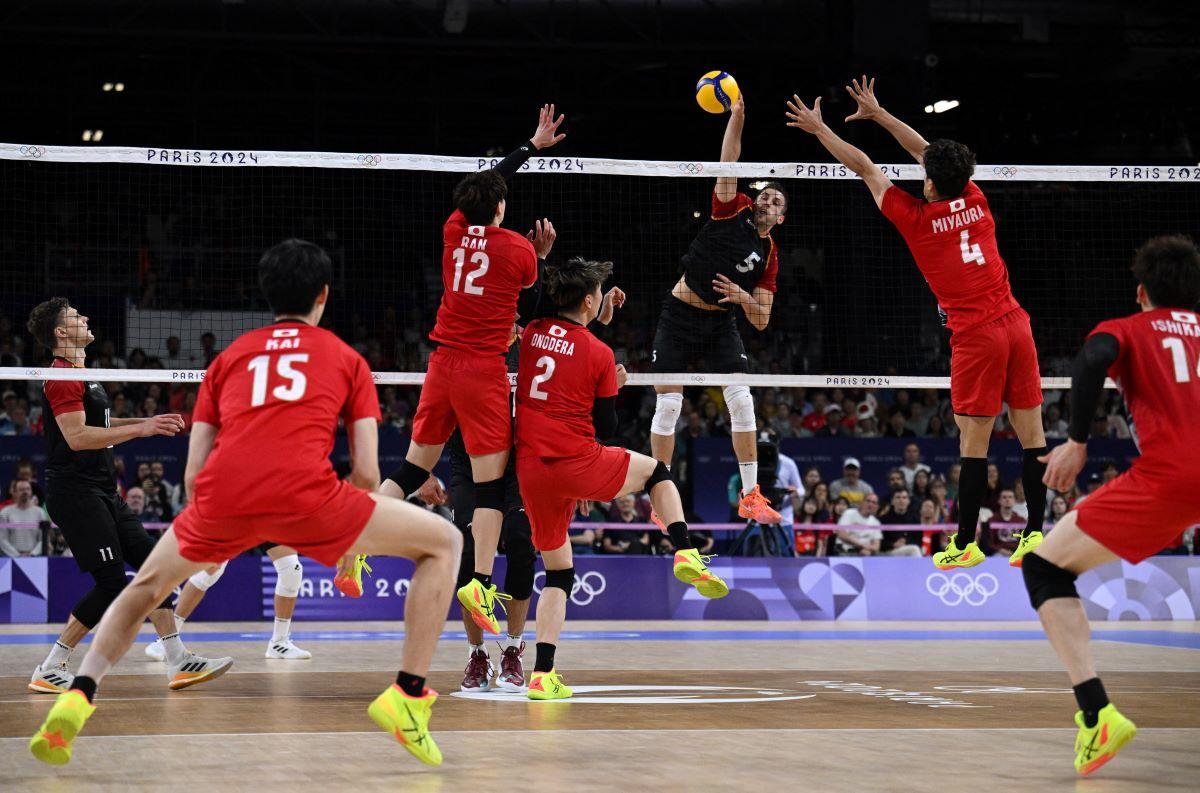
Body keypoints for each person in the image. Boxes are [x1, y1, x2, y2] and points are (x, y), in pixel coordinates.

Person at [29, 240, 463, 768]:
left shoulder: (229, 357)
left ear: (266, 296)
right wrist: (355, 543)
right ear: (323, 296)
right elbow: (369, 472)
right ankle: (408, 697)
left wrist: (205, 528)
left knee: (144, 584)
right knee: (445, 542)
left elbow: (194, 469)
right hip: (309, 497)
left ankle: (81, 691)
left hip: (226, 497)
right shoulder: (347, 359)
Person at [786, 76, 1049, 570]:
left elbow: (863, 165)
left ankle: (966, 541)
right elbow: (928, 152)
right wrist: (881, 114)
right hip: (1017, 324)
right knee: (1033, 437)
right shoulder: (975, 197)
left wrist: (820, 128)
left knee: (974, 446)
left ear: (928, 182)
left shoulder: (915, 219)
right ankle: (1035, 533)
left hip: (977, 335)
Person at [381, 105, 564, 637]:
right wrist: (540, 254)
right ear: (502, 208)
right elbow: (530, 302)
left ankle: (359, 544)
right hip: (482, 370)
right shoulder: (520, 249)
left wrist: (527, 147)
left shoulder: (452, 233)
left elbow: (487, 185)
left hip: (440, 363)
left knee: (414, 469)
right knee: (490, 489)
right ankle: (479, 581)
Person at [514, 257, 729, 700]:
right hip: (576, 458)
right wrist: (616, 381)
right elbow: (607, 426)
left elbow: (564, 344)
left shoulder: (532, 333)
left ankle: (542, 675)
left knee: (558, 572)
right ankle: (686, 552)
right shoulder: (600, 354)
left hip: (532, 469)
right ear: (590, 300)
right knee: (657, 472)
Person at [1025, 235, 1200, 774]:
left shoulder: (1129, 327)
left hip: (1175, 476)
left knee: (1043, 565)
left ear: (1142, 292)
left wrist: (1077, 441)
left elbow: (1093, 358)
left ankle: (1097, 714)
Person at [22, 298, 230, 696]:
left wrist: (146, 423)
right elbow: (78, 437)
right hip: (75, 492)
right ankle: (52, 666)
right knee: (112, 580)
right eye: (74, 317)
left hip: (102, 490)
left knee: (156, 566)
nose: (85, 317)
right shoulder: (62, 374)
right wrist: (141, 430)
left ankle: (177, 659)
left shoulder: (86, 373)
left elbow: (97, 422)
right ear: (60, 333)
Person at [647, 94, 786, 527]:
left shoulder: (770, 255)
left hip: (720, 321)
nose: (767, 203)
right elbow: (730, 158)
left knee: (742, 402)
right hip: (680, 314)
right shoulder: (732, 208)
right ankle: (660, 499)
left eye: (777, 203)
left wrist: (743, 298)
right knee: (668, 406)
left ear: (781, 218)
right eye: (766, 197)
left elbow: (761, 318)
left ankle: (750, 496)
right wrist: (738, 117)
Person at [143, 543, 313, 662]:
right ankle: (165, 641)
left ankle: (279, 643)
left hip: (270, 512)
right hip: (239, 510)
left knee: (292, 570)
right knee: (212, 569)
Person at [1, 480, 47, 557]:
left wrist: (32, 554)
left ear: (31, 492)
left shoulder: (40, 512)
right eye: (21, 489)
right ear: (14, 492)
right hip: (11, 559)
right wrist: (17, 555)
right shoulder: (5, 512)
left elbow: (44, 539)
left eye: (27, 489)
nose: (25, 492)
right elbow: (2, 539)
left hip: (36, 558)